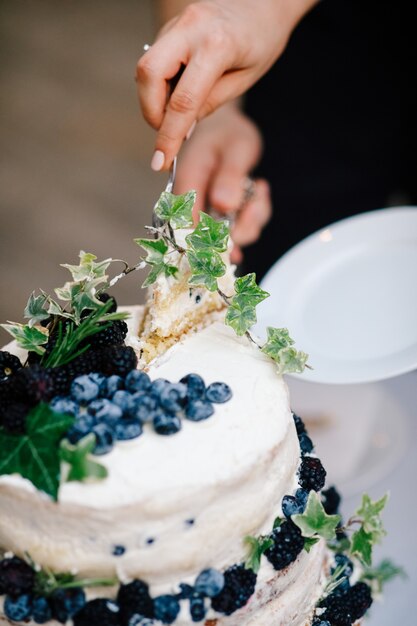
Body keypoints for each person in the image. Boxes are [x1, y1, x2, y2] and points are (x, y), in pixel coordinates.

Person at [136, 0, 416, 277]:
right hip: (311, 65)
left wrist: (269, 7)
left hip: (270, 21)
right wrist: (213, 112)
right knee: (296, 265)